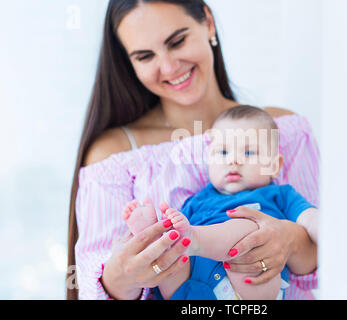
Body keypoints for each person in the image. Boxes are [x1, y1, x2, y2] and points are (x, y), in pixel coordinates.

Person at [67, 0, 320, 300]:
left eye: (177, 41)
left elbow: (329, 255)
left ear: (208, 23)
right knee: (173, 254)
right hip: (187, 291)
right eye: (145, 56)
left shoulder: (282, 130)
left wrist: (287, 240)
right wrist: (126, 271)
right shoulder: (115, 155)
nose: (170, 67)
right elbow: (90, 284)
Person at [122, 105, 318, 300]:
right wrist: (170, 238)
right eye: (223, 153)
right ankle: (153, 237)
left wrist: (322, 225)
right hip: (194, 292)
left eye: (249, 153)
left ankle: (193, 239)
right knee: (172, 257)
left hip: (250, 286)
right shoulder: (197, 200)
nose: (233, 160)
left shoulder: (279, 195)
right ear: (209, 161)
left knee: (251, 228)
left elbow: (309, 218)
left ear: (274, 166)